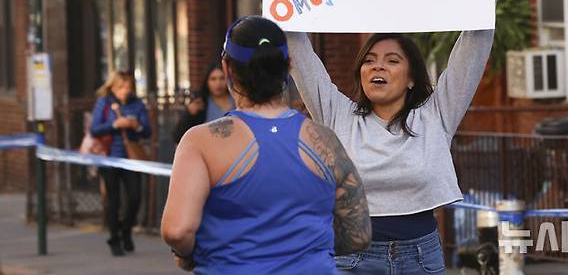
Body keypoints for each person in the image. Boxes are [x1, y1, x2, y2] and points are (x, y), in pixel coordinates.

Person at [250, 0, 507, 274]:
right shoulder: (337, 114)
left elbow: (472, 48)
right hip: (353, 258)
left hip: (421, 258)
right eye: (370, 60)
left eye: (391, 60)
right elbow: (297, 48)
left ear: (412, 76)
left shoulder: (436, 116)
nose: (378, 67)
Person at [161, 16, 372, 274]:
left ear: (227, 69)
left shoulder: (200, 142)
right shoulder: (324, 141)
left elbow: (177, 229)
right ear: (288, 66)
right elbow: (358, 234)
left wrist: (190, 253)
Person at [90, 70, 152, 256]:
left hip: (131, 158)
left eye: (128, 87)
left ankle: (126, 229)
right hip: (109, 157)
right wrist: (115, 125)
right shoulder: (105, 102)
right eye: (120, 87)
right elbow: (94, 129)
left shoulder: (137, 104)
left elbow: (147, 131)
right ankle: (114, 238)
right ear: (112, 87)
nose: (124, 91)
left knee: (134, 198)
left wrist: (136, 126)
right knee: (113, 200)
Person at [172, 62, 235, 144]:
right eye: (213, 79)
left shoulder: (236, 100)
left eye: (222, 78)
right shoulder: (200, 103)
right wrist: (189, 114)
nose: (218, 83)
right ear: (207, 81)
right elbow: (178, 136)